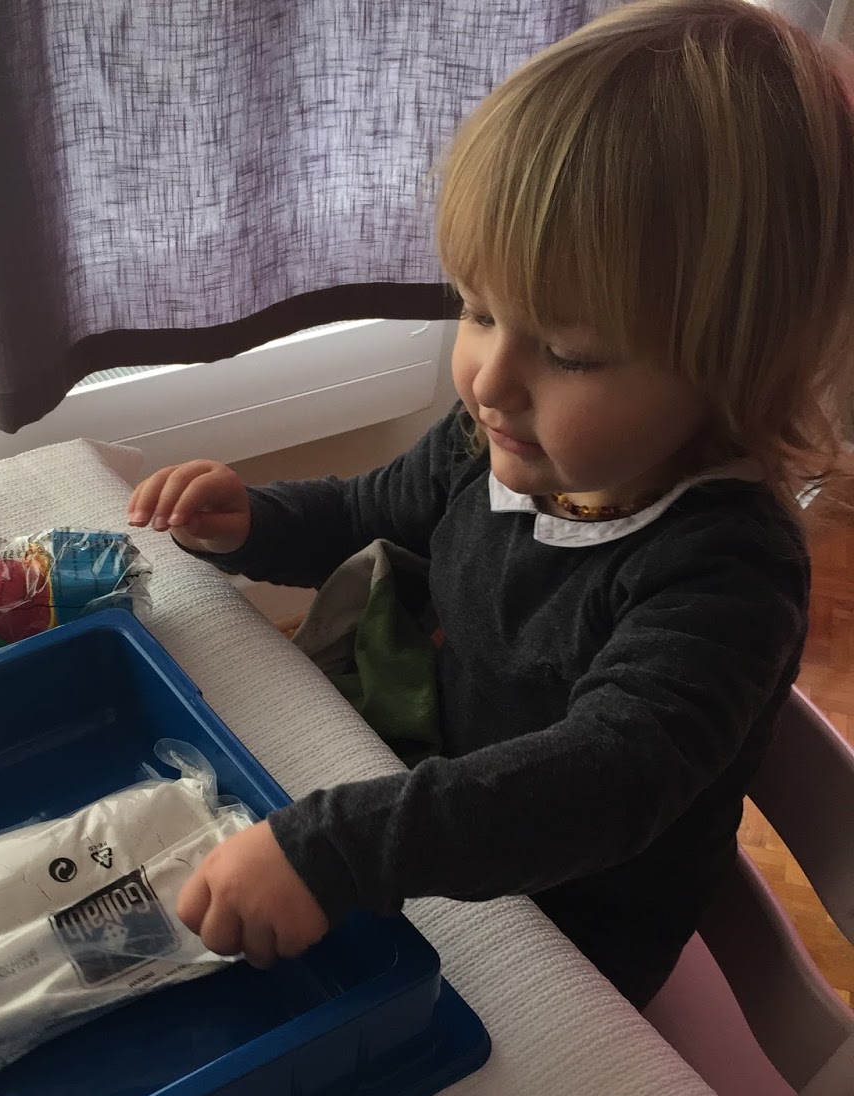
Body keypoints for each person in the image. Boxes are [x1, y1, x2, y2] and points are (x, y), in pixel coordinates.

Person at [125, 0, 854, 1007]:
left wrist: (340, 848)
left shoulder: (725, 572)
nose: (488, 378)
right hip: (443, 832)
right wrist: (253, 521)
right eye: (476, 307)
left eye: (569, 352)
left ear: (735, 368)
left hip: (571, 951)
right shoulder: (497, 442)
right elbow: (368, 509)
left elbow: (601, 781)